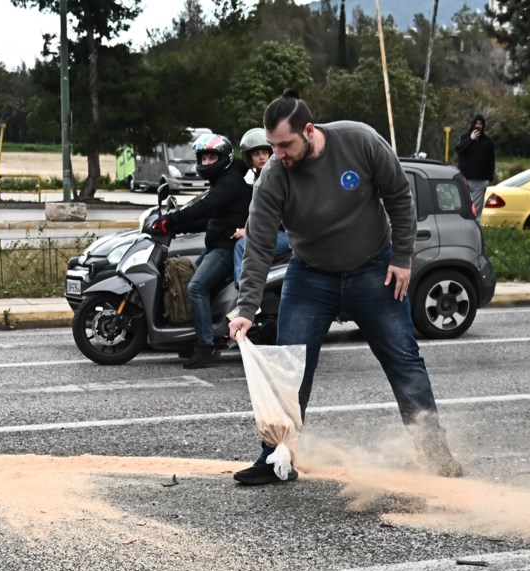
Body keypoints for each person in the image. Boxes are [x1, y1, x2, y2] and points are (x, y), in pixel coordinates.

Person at [228, 88, 464, 485]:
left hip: (374, 270)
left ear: (308, 130)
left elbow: (400, 199)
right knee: (291, 370)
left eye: (284, 145)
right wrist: (246, 309)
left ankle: (435, 454)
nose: (277, 155)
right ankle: (275, 458)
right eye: (271, 146)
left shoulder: (360, 140)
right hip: (310, 277)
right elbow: (259, 244)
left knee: (404, 362)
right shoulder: (273, 177)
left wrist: (403, 258)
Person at [147, 132, 251, 368]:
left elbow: (205, 207)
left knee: (196, 287)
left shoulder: (230, 182)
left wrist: (172, 221)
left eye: (211, 158)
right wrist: (177, 227)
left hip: (227, 247)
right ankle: (200, 335)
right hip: (218, 243)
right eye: (202, 158)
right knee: (194, 285)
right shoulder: (224, 180)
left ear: (223, 157)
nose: (205, 163)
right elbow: (211, 219)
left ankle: (206, 347)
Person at [232, 127, 290, 286]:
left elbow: (274, 215)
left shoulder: (274, 177)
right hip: (275, 231)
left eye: (264, 153)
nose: (261, 158)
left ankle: (242, 292)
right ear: (249, 158)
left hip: (285, 234)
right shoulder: (260, 177)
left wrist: (249, 231)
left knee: (242, 246)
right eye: (256, 154)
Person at [453, 113, 495, 217]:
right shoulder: (464, 137)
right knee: (462, 207)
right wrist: (470, 139)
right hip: (464, 179)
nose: (478, 126)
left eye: (480, 124)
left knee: (476, 212)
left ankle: (475, 230)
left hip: (479, 182)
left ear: (483, 125)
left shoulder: (488, 142)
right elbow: (458, 150)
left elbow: (491, 161)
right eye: (476, 123)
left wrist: (488, 179)